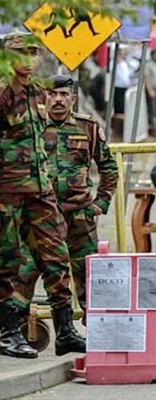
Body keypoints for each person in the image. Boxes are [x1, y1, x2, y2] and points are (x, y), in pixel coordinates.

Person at [0, 32, 85, 358]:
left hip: (41, 190)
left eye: (34, 53)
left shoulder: (39, 92)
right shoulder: (4, 92)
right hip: (8, 191)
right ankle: (9, 333)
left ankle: (65, 331)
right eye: (21, 53)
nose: (29, 59)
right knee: (8, 262)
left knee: (56, 257)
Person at [15, 75, 118, 325]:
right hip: (42, 216)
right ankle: (13, 329)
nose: (58, 100)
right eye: (52, 94)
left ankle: (98, 328)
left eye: (63, 95)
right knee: (26, 272)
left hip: (80, 215)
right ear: (44, 98)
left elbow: (109, 168)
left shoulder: (88, 128)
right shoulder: (31, 127)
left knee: (88, 273)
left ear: (73, 98)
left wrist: (100, 203)